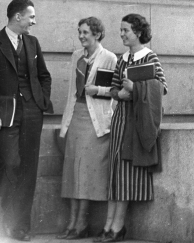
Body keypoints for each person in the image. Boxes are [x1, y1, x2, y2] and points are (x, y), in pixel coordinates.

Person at [0, 0, 53, 241]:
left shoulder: (32, 42)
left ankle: (20, 226)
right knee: (10, 164)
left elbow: (44, 76)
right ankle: (8, 219)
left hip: (32, 113)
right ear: (17, 17)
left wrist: (40, 101)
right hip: (5, 114)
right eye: (31, 16)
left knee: (28, 169)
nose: (34, 21)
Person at [103, 14, 167, 242]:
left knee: (126, 174)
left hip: (137, 123)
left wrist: (136, 87)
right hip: (120, 120)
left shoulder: (150, 57)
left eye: (125, 30)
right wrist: (118, 93)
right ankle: (108, 226)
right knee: (115, 173)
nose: (121, 34)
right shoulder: (123, 58)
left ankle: (117, 227)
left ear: (138, 32)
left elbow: (161, 88)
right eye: (121, 30)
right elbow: (113, 88)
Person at [57, 17, 117, 240]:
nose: (81, 36)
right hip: (76, 117)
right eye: (79, 32)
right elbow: (73, 92)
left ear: (97, 35)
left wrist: (97, 90)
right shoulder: (76, 56)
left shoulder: (109, 57)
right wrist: (66, 122)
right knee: (72, 171)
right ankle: (72, 223)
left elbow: (115, 90)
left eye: (85, 33)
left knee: (85, 173)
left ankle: (81, 223)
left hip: (95, 121)